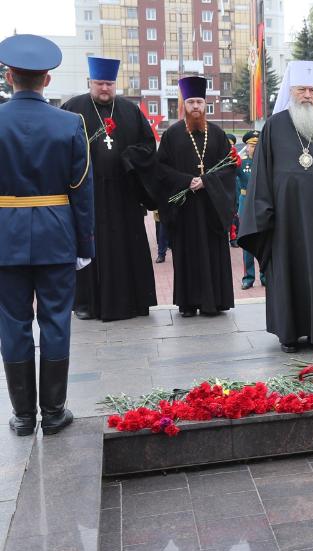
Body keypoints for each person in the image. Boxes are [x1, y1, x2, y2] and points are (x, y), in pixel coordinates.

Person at [0, 34, 94, 436]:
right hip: (58, 235)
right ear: (47, 81)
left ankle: (23, 417)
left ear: (9, 77)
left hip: (5, 236)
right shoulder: (70, 123)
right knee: (56, 321)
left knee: (12, 323)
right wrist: (85, 245)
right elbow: (82, 192)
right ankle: (53, 413)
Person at [239, 61, 313, 353]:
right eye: (301, 89)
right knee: (288, 273)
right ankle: (289, 334)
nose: (307, 95)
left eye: (311, 90)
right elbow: (261, 177)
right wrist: (264, 218)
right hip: (286, 222)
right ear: (290, 91)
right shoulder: (273, 127)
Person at [61, 56, 157, 322]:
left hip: (124, 194)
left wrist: (130, 158)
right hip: (87, 195)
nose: (105, 89)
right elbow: (61, 147)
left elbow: (149, 146)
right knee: (89, 248)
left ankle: (135, 301)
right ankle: (86, 303)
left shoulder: (130, 110)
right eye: (100, 83)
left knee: (128, 245)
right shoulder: (73, 108)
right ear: (90, 82)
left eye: (109, 84)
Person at [154, 76, 236, 318]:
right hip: (186, 209)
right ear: (184, 105)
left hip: (212, 208)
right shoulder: (172, 135)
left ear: (205, 103)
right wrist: (186, 181)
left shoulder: (219, 134)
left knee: (212, 255)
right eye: (191, 102)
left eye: (200, 102)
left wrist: (208, 181)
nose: (196, 107)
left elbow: (230, 167)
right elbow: (161, 169)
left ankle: (215, 302)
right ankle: (188, 303)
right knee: (187, 254)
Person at [237, 130, 265, 289]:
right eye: (250, 145)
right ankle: (248, 277)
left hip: (262, 205)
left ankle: (265, 274)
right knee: (247, 242)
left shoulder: (266, 162)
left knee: (263, 240)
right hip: (245, 204)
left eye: (256, 145)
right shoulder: (242, 162)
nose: (252, 148)